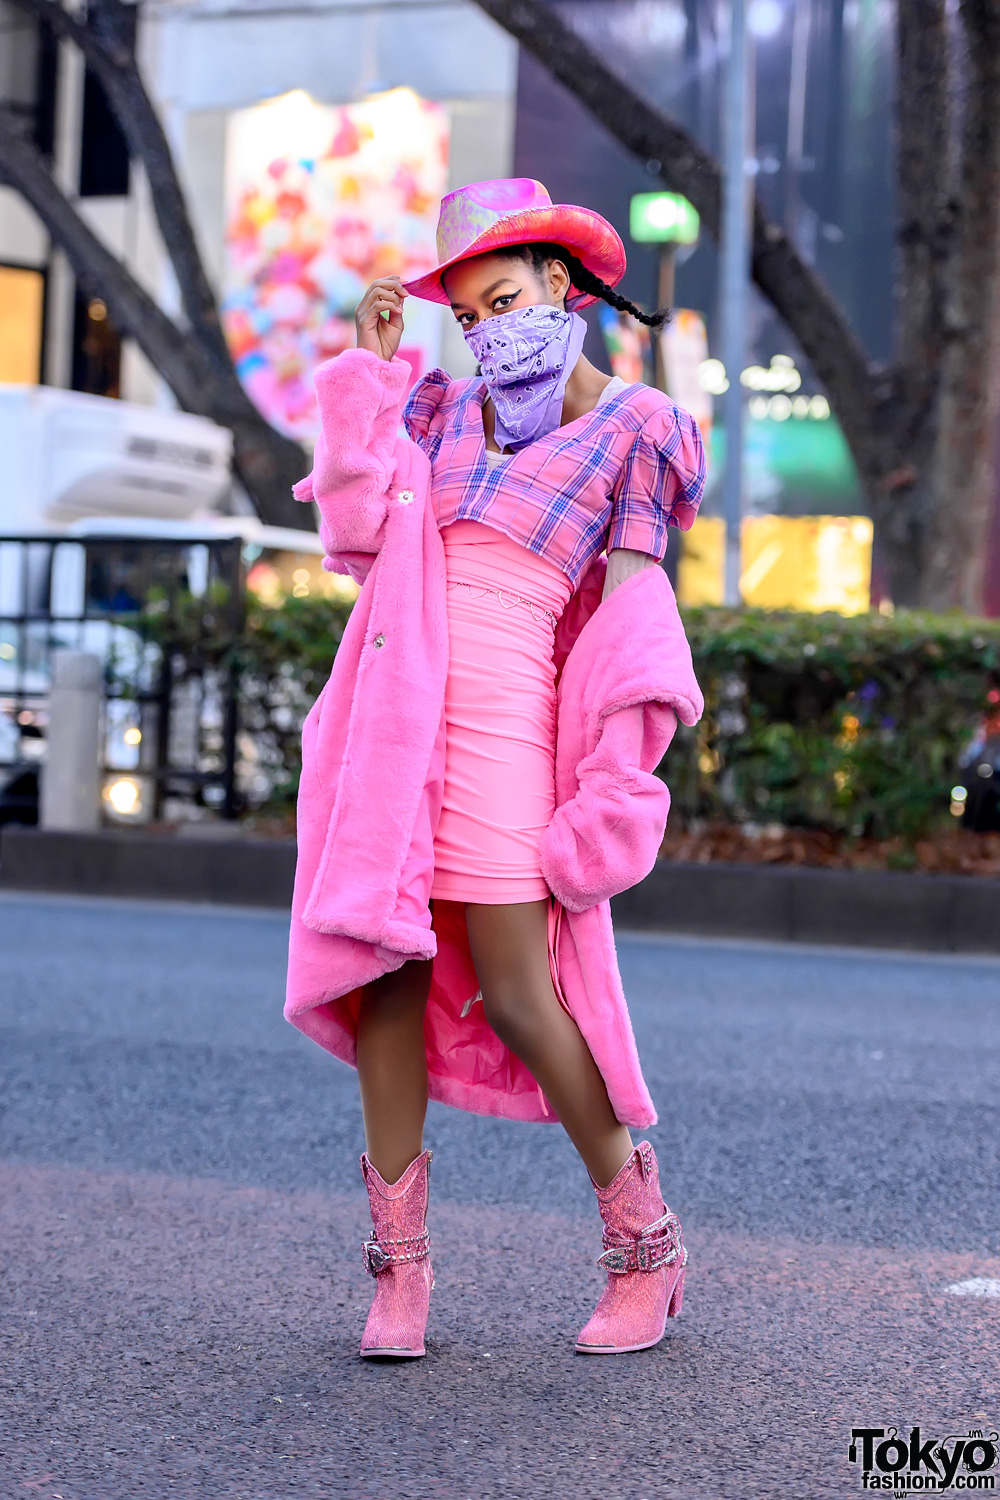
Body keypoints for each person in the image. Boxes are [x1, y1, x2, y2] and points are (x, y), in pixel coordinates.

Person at [288, 178, 705, 1359]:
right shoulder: (431, 414)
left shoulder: (638, 428)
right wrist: (369, 380)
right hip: (394, 729)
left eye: (504, 299)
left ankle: (644, 1243)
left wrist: (615, 783)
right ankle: (400, 1277)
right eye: (467, 314)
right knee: (389, 981)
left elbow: (631, 619)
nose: (486, 330)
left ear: (562, 288)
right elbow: (357, 546)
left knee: (525, 993)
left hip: (514, 735)